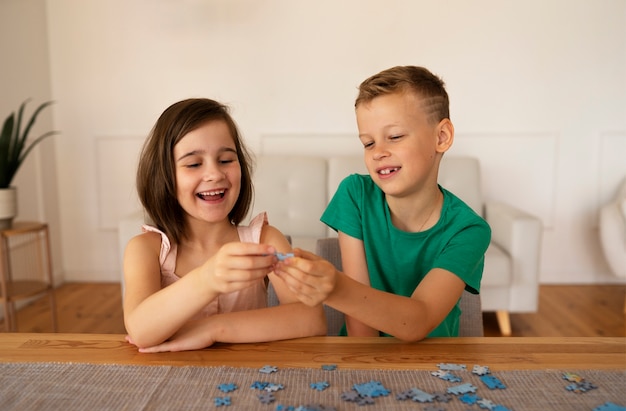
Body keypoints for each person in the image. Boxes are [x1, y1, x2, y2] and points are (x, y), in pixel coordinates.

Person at [274, 66, 491, 340]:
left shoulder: (469, 231)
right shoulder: (355, 194)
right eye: (368, 143)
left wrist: (334, 288)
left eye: (395, 137)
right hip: (363, 357)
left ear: (442, 137)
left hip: (432, 365)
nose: (378, 153)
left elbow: (420, 319)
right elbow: (360, 330)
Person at [123, 98, 327, 352]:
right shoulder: (146, 249)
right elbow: (141, 331)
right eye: (194, 164)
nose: (215, 174)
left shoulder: (265, 239)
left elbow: (312, 320)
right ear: (164, 176)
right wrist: (207, 279)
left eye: (226, 160)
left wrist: (212, 329)